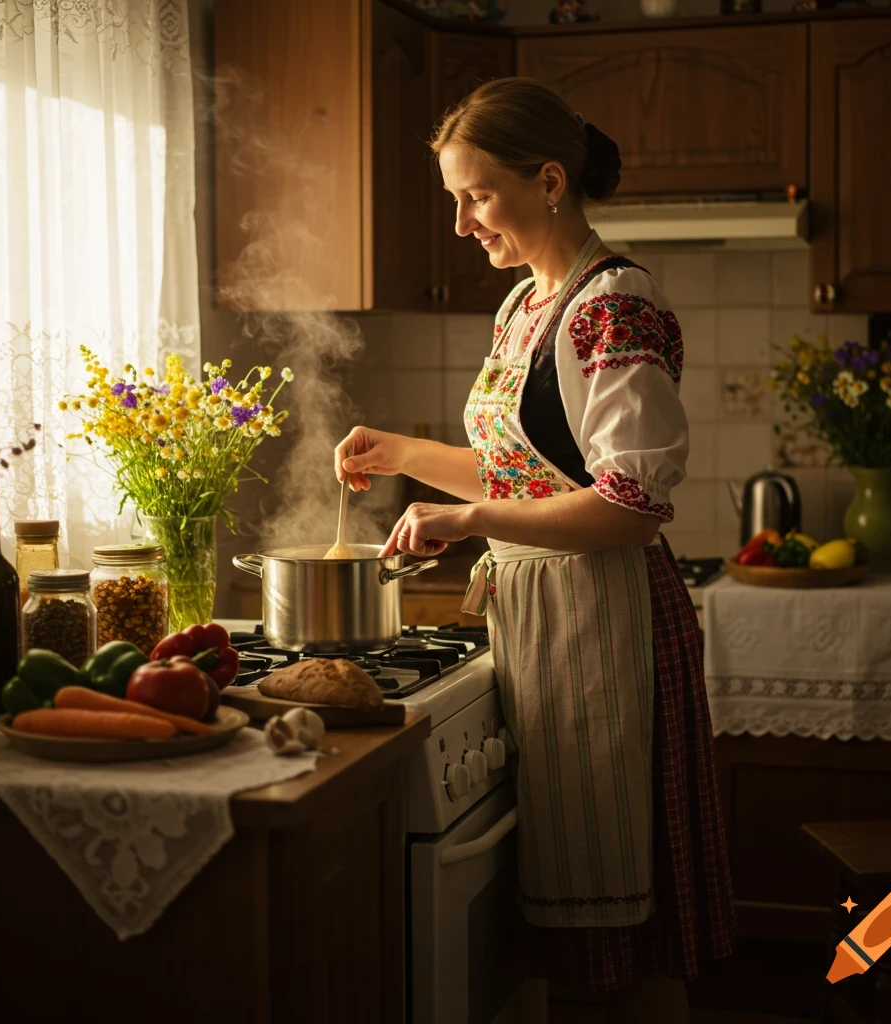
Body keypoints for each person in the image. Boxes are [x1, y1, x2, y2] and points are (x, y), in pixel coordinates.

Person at [334, 77, 735, 1021]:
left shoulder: (613, 306)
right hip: (548, 628)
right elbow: (522, 477)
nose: (464, 224)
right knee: (581, 934)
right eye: (454, 201)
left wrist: (466, 523)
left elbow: (628, 509)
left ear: (550, 180)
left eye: (477, 195)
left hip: (607, 629)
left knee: (625, 938)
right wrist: (398, 454)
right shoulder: (526, 304)